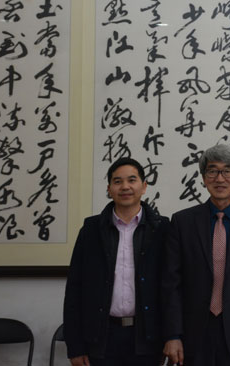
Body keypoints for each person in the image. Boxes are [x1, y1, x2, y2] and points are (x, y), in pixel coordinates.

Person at [162, 143, 230, 366]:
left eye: (228, 171)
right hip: (192, 335)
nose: (220, 179)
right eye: (212, 171)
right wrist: (172, 334)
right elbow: (171, 283)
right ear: (204, 178)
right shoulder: (182, 222)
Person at [63, 157, 169, 366]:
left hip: (147, 338)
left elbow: (172, 287)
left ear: (144, 186)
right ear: (109, 189)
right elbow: (75, 289)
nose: (125, 187)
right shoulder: (91, 230)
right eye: (117, 181)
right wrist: (75, 346)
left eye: (132, 180)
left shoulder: (162, 229)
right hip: (102, 338)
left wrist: (172, 337)